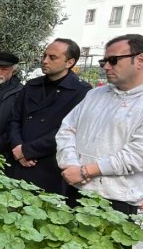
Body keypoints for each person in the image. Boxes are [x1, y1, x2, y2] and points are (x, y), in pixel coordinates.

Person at [57, 34, 143, 215]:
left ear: (140, 60)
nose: (106, 66)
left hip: (115, 201)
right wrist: (70, 164)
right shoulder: (95, 95)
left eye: (113, 60)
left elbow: (140, 155)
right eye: (104, 61)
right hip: (76, 189)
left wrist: (86, 171)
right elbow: (67, 129)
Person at [8, 38, 91, 196]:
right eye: (44, 55)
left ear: (69, 62)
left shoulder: (81, 92)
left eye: (52, 57)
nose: (45, 61)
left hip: (47, 166)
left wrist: (28, 151)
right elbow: (14, 119)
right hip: (18, 162)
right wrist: (18, 147)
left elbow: (68, 131)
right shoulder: (32, 86)